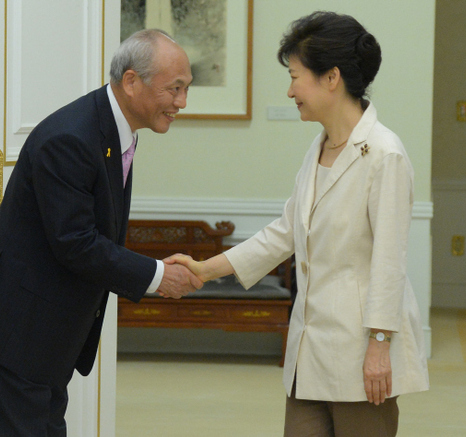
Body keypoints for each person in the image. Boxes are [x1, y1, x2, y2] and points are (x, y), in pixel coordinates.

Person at [167, 11, 429, 437]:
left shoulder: (385, 154)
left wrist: (380, 346)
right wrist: (205, 269)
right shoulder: (319, 145)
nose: (290, 91)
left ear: (332, 78)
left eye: (295, 76)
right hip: (310, 352)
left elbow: (390, 260)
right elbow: (286, 231)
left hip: (361, 356)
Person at [0, 29, 200, 436]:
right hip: (12, 331)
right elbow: (76, 243)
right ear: (132, 82)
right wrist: (158, 276)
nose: (181, 103)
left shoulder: (112, 132)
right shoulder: (70, 138)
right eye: (174, 89)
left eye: (186, 89)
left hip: (45, 336)